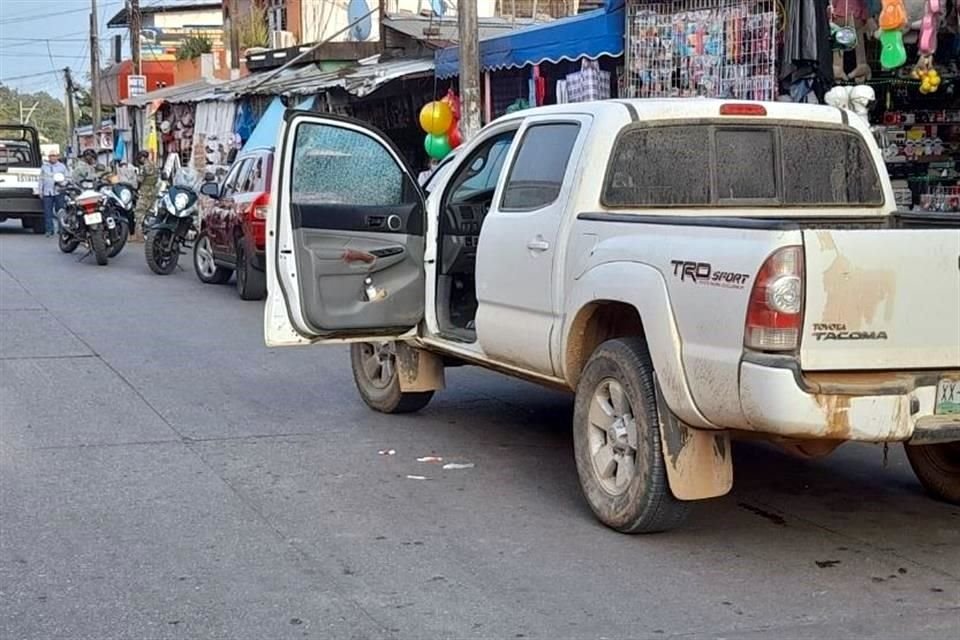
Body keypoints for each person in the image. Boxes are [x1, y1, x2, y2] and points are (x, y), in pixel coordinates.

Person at [40, 151, 68, 237]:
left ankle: (61, 229)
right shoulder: (44, 167)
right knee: (48, 212)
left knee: (60, 211)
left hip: (59, 192)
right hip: (47, 192)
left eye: (54, 156)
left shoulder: (62, 167)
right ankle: (49, 230)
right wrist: (40, 190)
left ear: (57, 157)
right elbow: (41, 179)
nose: (53, 158)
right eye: (51, 156)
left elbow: (67, 178)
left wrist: (62, 183)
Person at [133, 150, 158, 239]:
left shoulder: (144, 167)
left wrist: (136, 186)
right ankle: (149, 233)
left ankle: (138, 234)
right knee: (149, 212)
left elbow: (140, 180)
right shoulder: (155, 165)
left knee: (139, 211)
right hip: (153, 191)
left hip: (144, 191)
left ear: (142, 158)